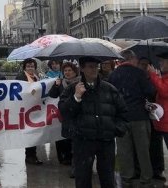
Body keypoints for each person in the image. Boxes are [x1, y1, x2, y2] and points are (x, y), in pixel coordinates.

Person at [59, 57, 128, 188]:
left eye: (96, 66)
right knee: (83, 178)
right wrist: (76, 97)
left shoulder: (109, 89)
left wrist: (116, 129)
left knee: (108, 178)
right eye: (90, 66)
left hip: (105, 141)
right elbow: (64, 112)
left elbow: (123, 112)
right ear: (82, 69)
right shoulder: (72, 89)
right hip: (83, 141)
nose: (94, 69)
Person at [108, 50, 156, 188]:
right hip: (139, 116)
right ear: (132, 59)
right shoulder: (140, 73)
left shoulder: (113, 75)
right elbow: (150, 91)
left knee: (124, 151)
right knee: (143, 150)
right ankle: (146, 179)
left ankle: (126, 178)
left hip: (122, 118)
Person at [48, 62, 80, 173]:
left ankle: (75, 165)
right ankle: (67, 158)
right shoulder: (61, 83)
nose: (67, 73)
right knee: (66, 138)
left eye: (69, 70)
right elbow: (52, 95)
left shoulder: (80, 83)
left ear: (75, 71)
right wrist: (56, 85)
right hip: (65, 115)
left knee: (76, 141)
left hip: (78, 115)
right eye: (65, 71)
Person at [15, 58, 43, 165]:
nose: (30, 68)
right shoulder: (21, 77)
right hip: (26, 109)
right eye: (28, 66)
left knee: (34, 132)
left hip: (34, 108)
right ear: (24, 67)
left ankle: (32, 154)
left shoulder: (36, 77)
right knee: (30, 133)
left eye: (32, 66)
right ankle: (30, 156)